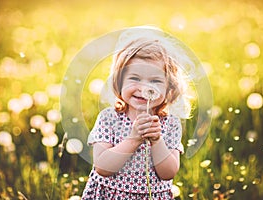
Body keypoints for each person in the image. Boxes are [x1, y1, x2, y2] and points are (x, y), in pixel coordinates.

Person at [81, 28, 192, 200]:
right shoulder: (109, 118)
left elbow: (168, 173)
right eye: (135, 78)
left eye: (155, 81)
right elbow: (102, 167)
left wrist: (157, 141)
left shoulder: (170, 124)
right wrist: (133, 139)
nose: (144, 88)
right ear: (120, 81)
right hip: (110, 195)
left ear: (169, 88)